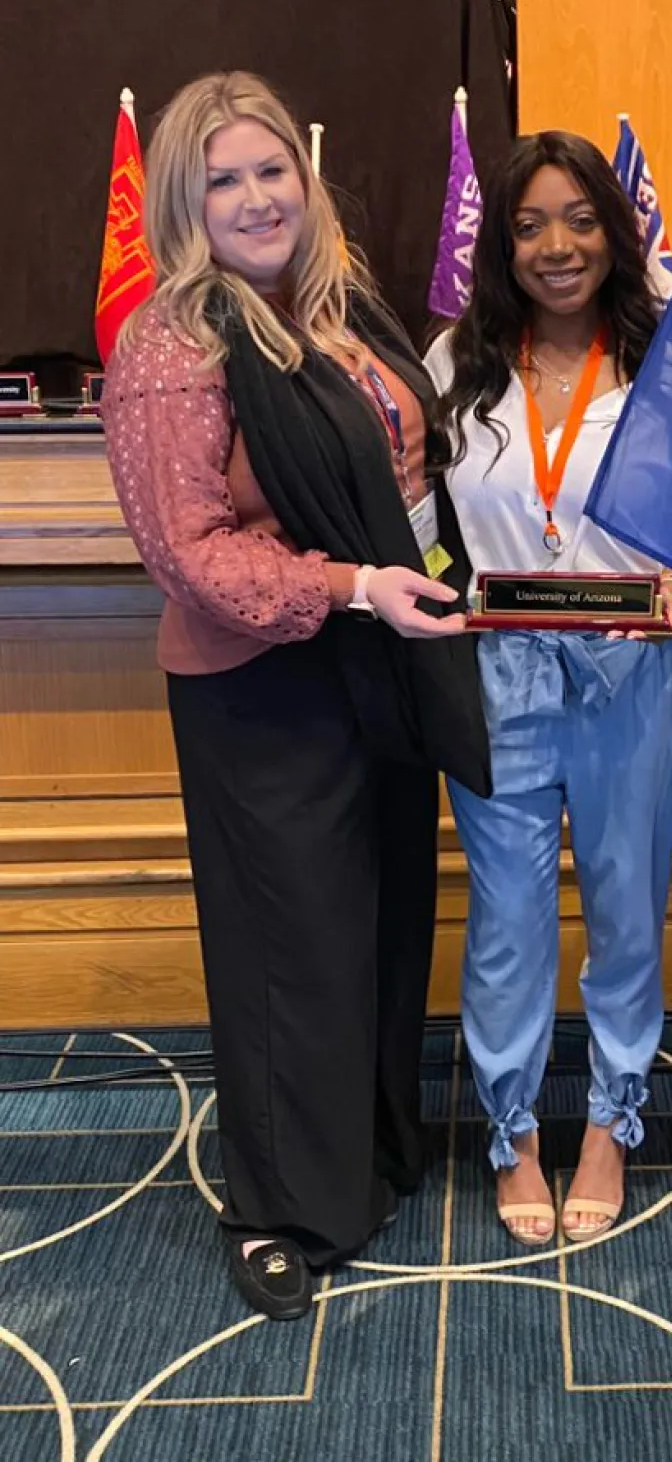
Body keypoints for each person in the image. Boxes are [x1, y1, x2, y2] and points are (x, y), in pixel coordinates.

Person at [101, 71, 490, 1320]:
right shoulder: (176, 341)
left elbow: (407, 474)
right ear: (183, 202)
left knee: (376, 927)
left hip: (376, 653)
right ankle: (276, 1204)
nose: (258, 197)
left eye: (274, 170)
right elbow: (190, 552)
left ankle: (368, 1152)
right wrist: (354, 582)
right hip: (263, 681)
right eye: (224, 178)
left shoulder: (338, 309)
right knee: (289, 952)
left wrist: (423, 578)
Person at [424, 131, 672, 1246]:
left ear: (614, 231)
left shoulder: (670, 360)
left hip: (636, 670)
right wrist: (442, 595)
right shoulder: (452, 361)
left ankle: (610, 1121)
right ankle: (515, 1132)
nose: (557, 244)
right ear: (502, 241)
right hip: (500, 673)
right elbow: (421, 525)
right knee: (507, 922)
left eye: (580, 218)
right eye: (532, 222)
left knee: (627, 905)